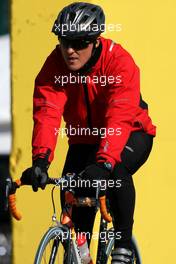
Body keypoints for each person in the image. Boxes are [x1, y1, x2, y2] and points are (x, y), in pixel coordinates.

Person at [22, 2, 156, 263]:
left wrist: (104, 161)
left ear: (96, 41)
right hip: (84, 140)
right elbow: (47, 113)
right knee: (72, 190)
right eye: (64, 42)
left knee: (115, 172)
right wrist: (40, 160)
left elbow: (119, 117)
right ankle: (80, 254)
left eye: (80, 43)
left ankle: (123, 247)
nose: (70, 51)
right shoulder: (54, 66)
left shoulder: (119, 62)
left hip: (131, 133)